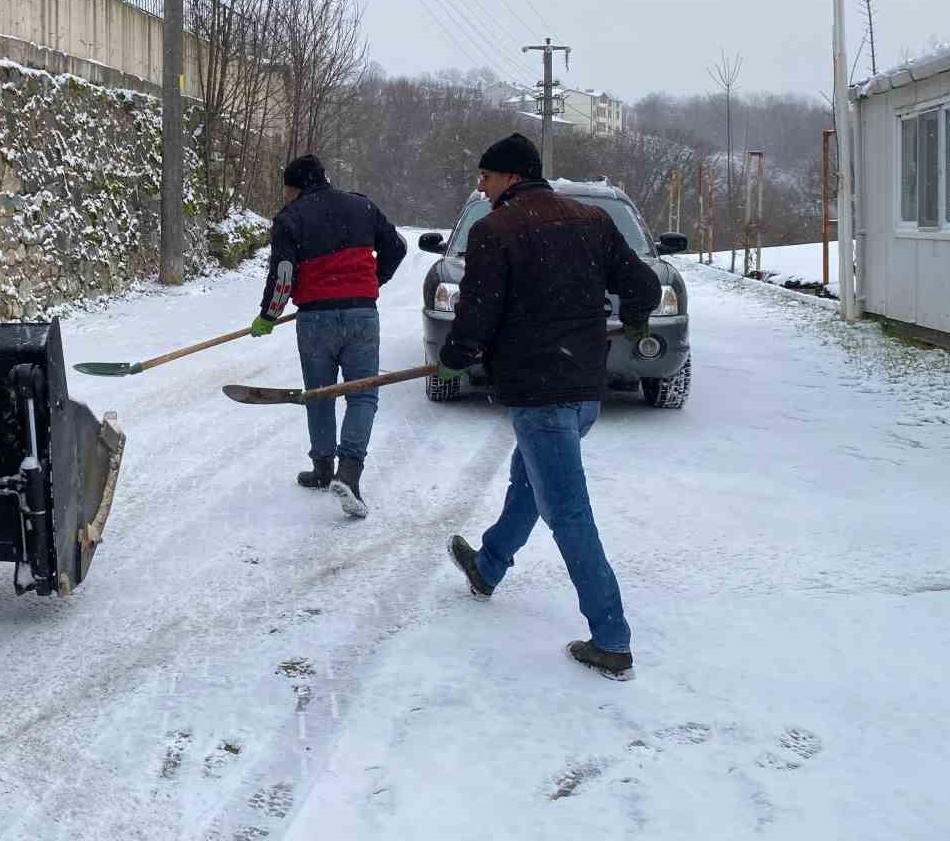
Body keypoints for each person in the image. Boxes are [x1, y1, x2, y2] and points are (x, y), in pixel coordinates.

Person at [437, 133, 660, 679]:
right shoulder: (591, 221)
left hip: (541, 394)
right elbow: (644, 284)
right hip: (584, 388)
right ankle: (488, 567)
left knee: (567, 512)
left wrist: (456, 357)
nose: (481, 187)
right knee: (529, 481)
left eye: (486, 178)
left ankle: (612, 640)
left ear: (511, 176)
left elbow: (478, 313)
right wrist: (633, 315)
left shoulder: (496, 231)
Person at [249, 154, 407, 519]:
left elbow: (284, 273)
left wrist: (269, 315)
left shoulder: (291, 218)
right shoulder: (362, 206)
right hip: (362, 315)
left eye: (287, 189)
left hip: (315, 320)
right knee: (362, 396)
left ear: (295, 187)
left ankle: (323, 468)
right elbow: (396, 248)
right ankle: (349, 471)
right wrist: (370, 282)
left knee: (318, 394)